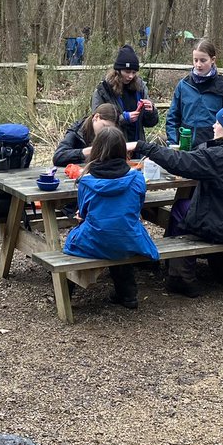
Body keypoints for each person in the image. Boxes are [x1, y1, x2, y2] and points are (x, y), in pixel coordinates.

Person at [137, 104, 223, 298]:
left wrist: (144, 146)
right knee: (190, 204)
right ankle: (179, 269)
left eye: (219, 122)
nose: (214, 125)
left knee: (181, 208)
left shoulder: (218, 156)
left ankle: (181, 276)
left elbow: (179, 162)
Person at [63, 127, 158, 309]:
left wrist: (83, 216)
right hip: (130, 239)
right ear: (123, 149)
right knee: (119, 232)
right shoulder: (137, 178)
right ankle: (128, 294)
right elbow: (136, 208)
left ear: (96, 149)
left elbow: (83, 214)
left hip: (97, 240)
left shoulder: (86, 181)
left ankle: (65, 294)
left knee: (76, 240)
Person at [166, 38, 223, 148]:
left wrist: (222, 146)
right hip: (185, 146)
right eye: (195, 60)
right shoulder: (184, 85)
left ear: (212, 60)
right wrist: (173, 142)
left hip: (211, 148)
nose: (198, 65)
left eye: (203, 60)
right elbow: (173, 117)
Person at [90, 45, 158, 143]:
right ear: (118, 70)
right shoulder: (103, 91)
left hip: (137, 146)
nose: (130, 76)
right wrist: (123, 118)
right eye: (127, 71)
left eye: (134, 72)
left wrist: (151, 111)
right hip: (112, 146)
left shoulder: (141, 88)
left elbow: (150, 123)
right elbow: (97, 123)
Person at [53, 103, 134, 166]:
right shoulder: (77, 130)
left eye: (109, 128)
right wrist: (92, 150)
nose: (106, 131)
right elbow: (58, 157)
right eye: (104, 126)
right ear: (96, 117)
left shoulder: (113, 133)